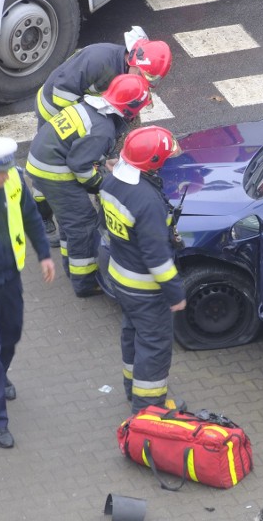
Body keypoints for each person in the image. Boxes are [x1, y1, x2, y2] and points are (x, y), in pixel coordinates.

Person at [33, 26, 172, 247]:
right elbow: (61, 94)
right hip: (55, 109)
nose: (144, 84)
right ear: (134, 61)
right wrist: (84, 130)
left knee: (76, 162)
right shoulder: (100, 61)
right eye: (143, 77)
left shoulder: (127, 68)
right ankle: (42, 216)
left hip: (81, 110)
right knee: (55, 170)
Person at [25, 74, 151, 298]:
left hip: (45, 161)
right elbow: (80, 166)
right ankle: (85, 283)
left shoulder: (91, 107)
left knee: (70, 220)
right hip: (54, 171)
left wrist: (102, 162)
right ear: (129, 109)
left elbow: (79, 146)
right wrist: (104, 185)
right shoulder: (102, 129)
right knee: (83, 224)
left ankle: (70, 267)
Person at [99, 126, 186, 413]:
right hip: (145, 289)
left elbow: (108, 225)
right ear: (153, 162)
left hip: (120, 275)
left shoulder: (111, 183)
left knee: (132, 334)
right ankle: (148, 408)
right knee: (155, 345)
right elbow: (157, 259)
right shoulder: (147, 202)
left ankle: (131, 388)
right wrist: (176, 294)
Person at [0, 137, 56, 449]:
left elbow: (31, 217)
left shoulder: (13, 181)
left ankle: (0, 375)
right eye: (0, 173)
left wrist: (45, 255)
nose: (6, 177)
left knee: (12, 334)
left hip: (10, 278)